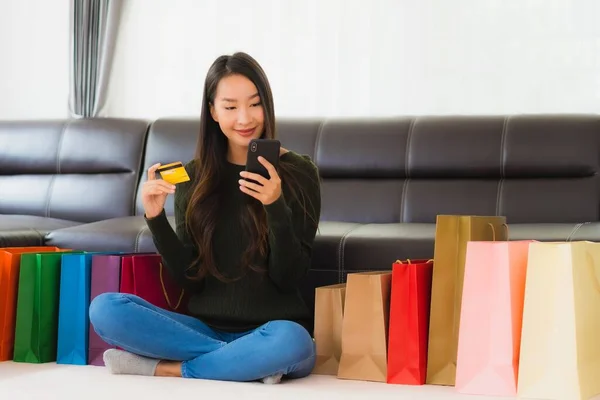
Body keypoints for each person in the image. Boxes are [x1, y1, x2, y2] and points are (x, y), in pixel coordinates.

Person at [88, 52, 322, 383]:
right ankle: (243, 364)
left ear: (267, 106)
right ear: (212, 111)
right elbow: (190, 279)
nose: (245, 118)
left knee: (294, 342)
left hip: (275, 330)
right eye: (230, 107)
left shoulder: (299, 172)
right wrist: (156, 219)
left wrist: (275, 204)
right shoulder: (192, 176)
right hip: (202, 328)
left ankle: (172, 369)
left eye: (254, 104)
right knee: (105, 309)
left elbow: (289, 276)